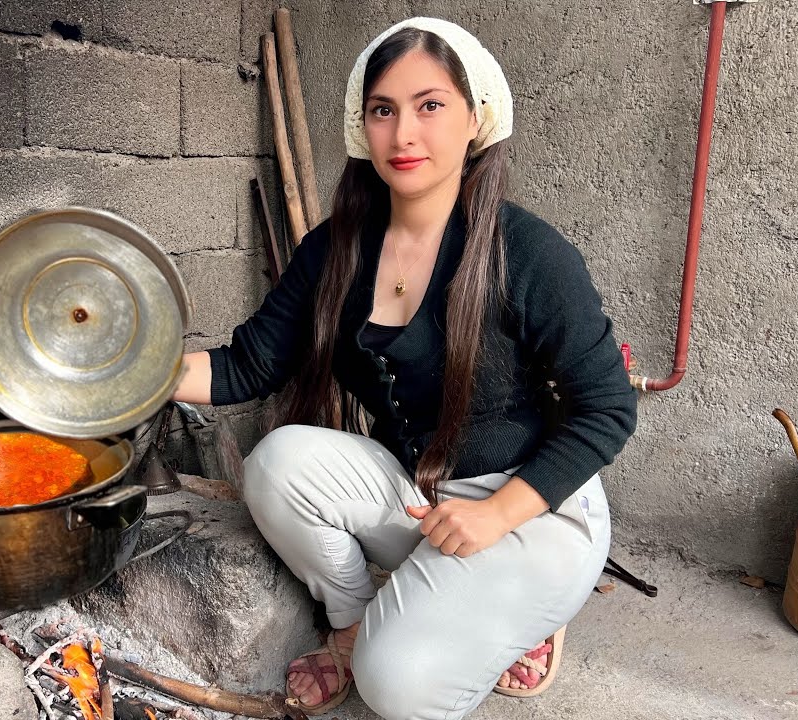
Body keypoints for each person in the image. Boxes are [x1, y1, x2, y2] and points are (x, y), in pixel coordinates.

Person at [171, 16, 636, 719]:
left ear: (475, 120)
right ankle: (354, 625)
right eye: (383, 110)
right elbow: (246, 365)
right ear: (363, 128)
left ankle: (527, 613)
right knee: (276, 465)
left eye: (430, 106)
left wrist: (495, 518)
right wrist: (129, 370)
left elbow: (608, 408)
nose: (404, 134)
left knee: (396, 685)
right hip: (422, 499)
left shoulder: (529, 252)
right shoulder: (337, 250)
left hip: (533, 511)